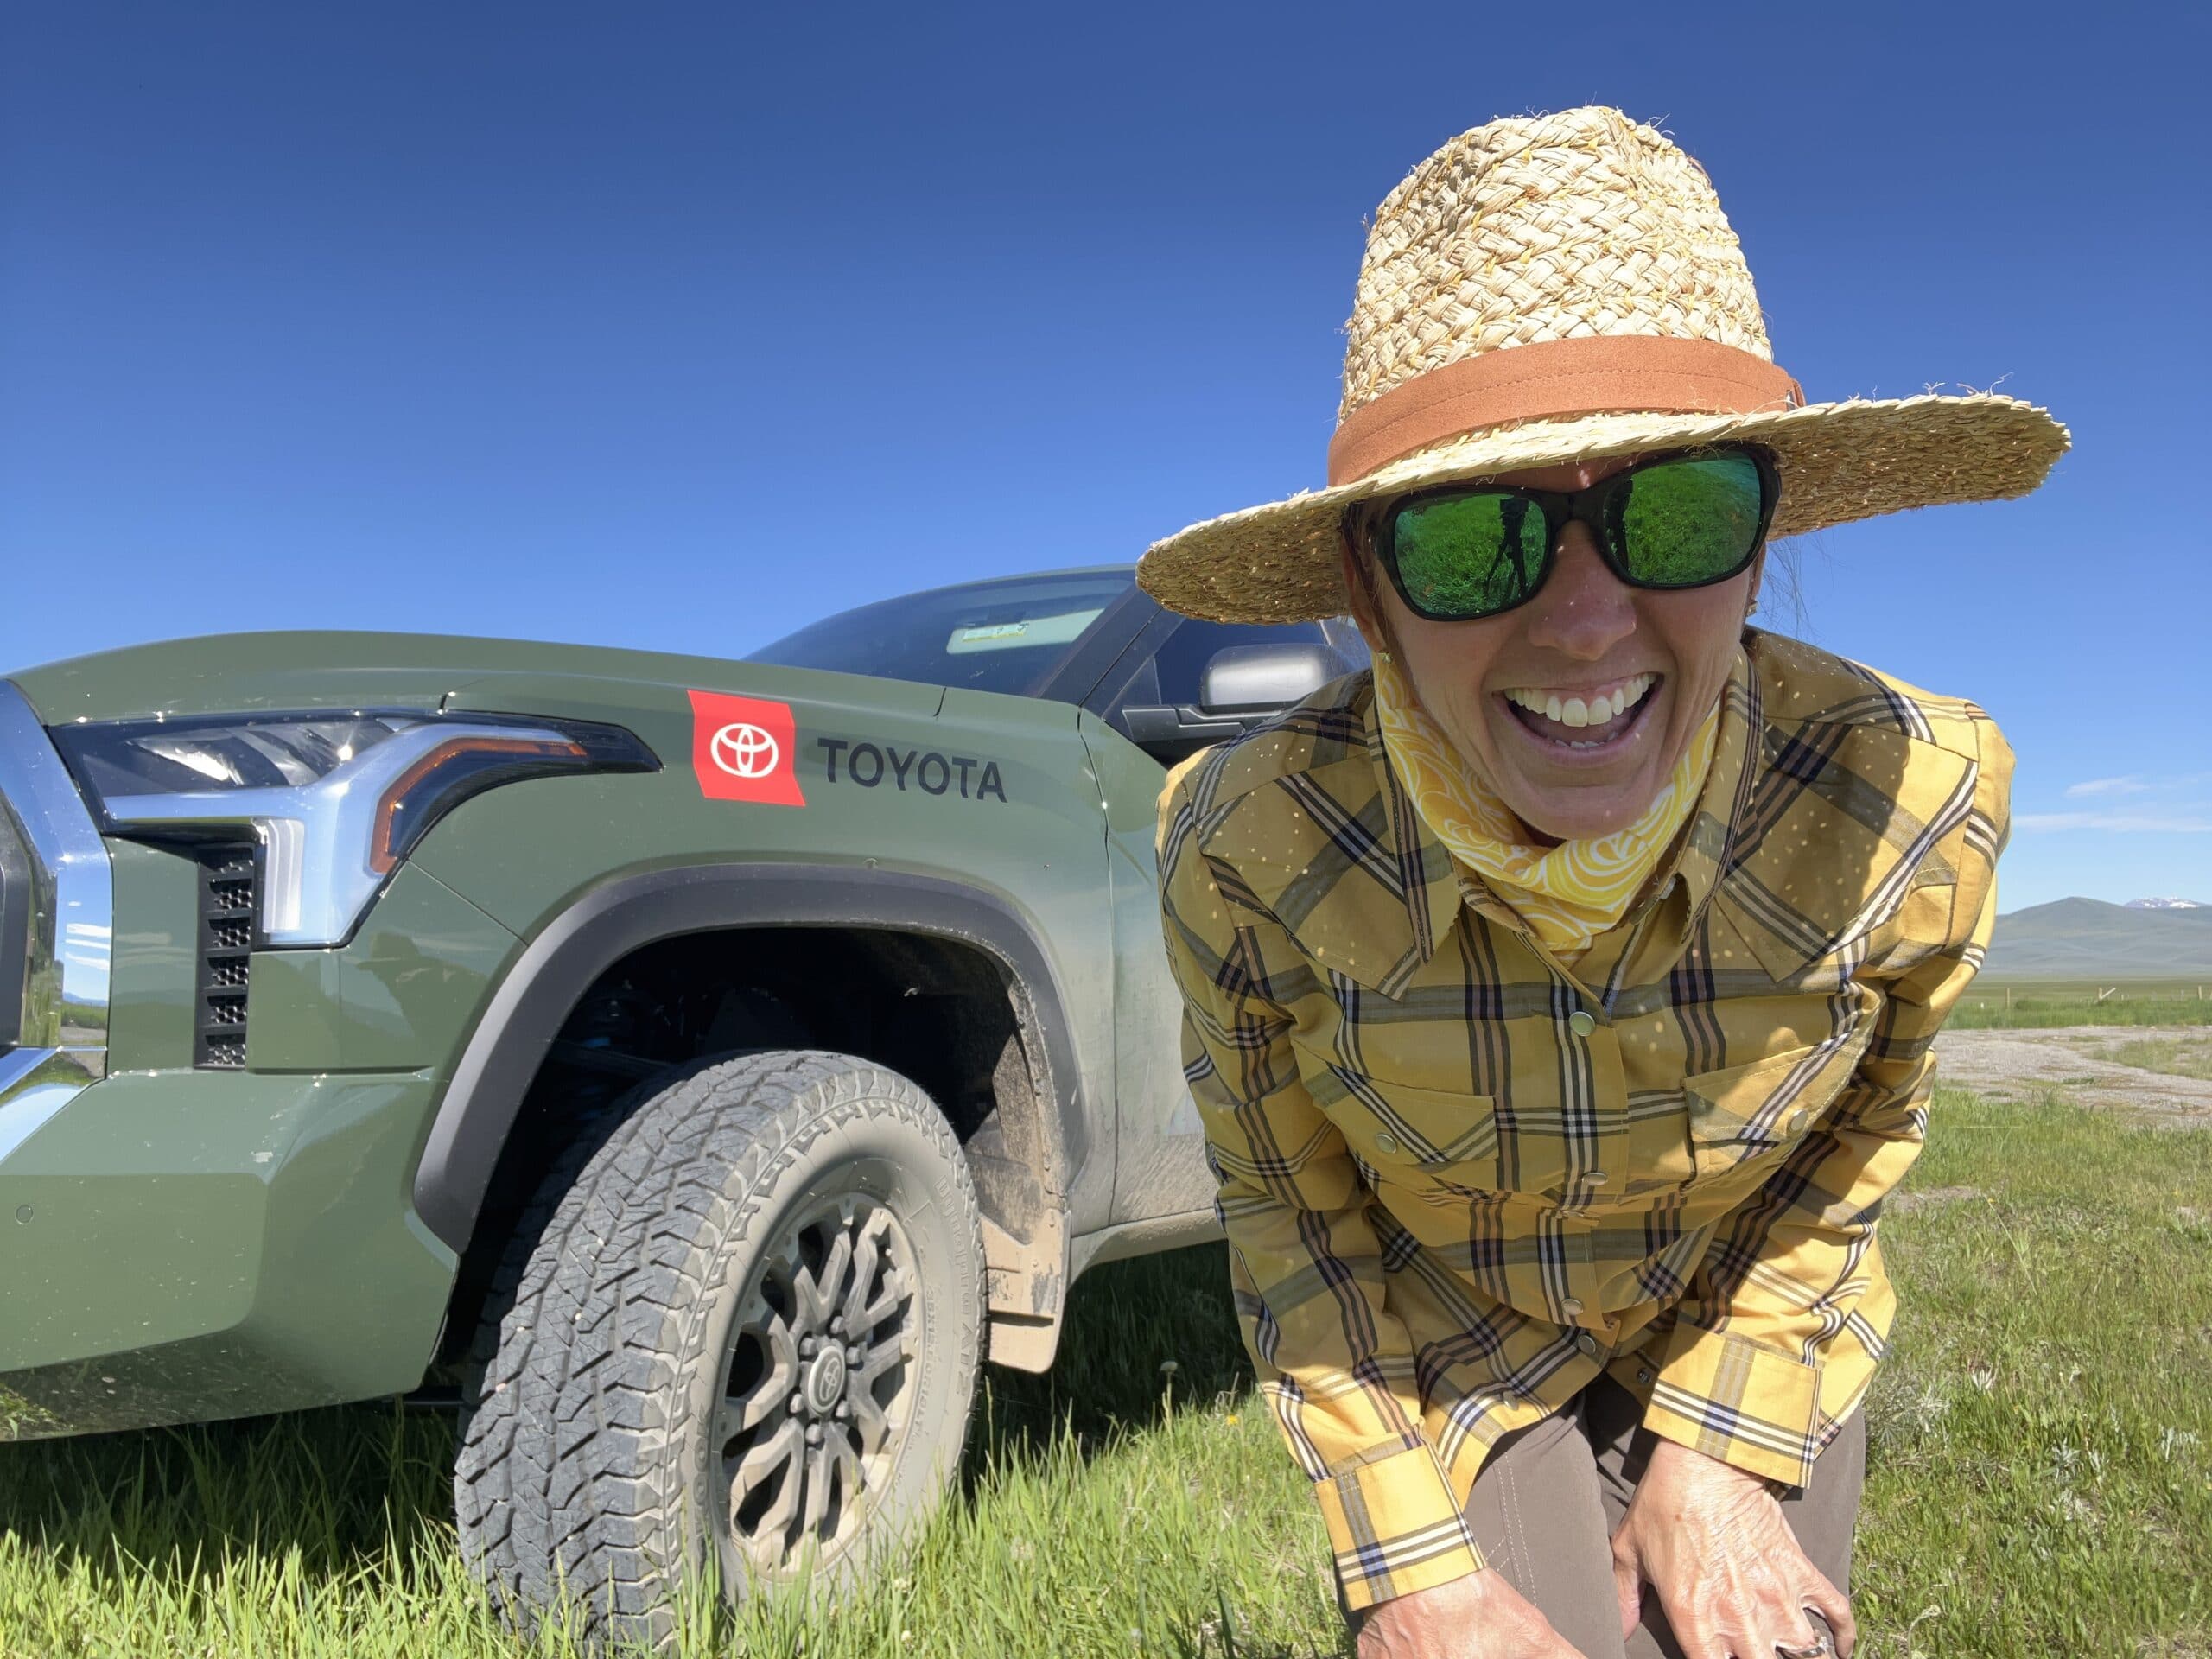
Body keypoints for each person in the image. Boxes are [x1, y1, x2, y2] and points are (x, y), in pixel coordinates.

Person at [1140, 107, 2065, 1659]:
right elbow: (1291, 1220)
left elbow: (1858, 1149)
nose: (1584, 623)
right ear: (1367, 591)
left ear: (1762, 547)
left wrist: (1714, 1452)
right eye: (1467, 538)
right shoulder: (1245, 848)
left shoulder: (1922, 798)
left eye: (1679, 509)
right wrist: (1409, 1568)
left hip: (1741, 1292)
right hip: (1451, 1340)